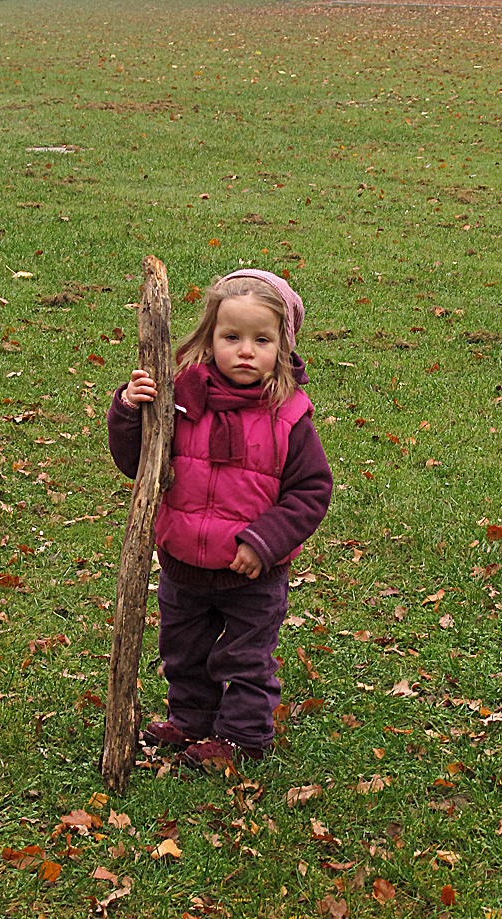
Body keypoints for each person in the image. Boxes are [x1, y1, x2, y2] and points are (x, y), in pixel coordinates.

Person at [107, 269, 332, 768]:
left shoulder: (289, 414)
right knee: (184, 651)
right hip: (183, 563)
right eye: (232, 337)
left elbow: (311, 491)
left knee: (246, 659)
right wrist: (130, 409)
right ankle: (192, 720)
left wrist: (264, 542)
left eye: (262, 340)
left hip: (251, 573)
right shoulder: (180, 396)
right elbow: (137, 463)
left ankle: (242, 737)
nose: (246, 351)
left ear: (284, 346)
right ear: (209, 338)